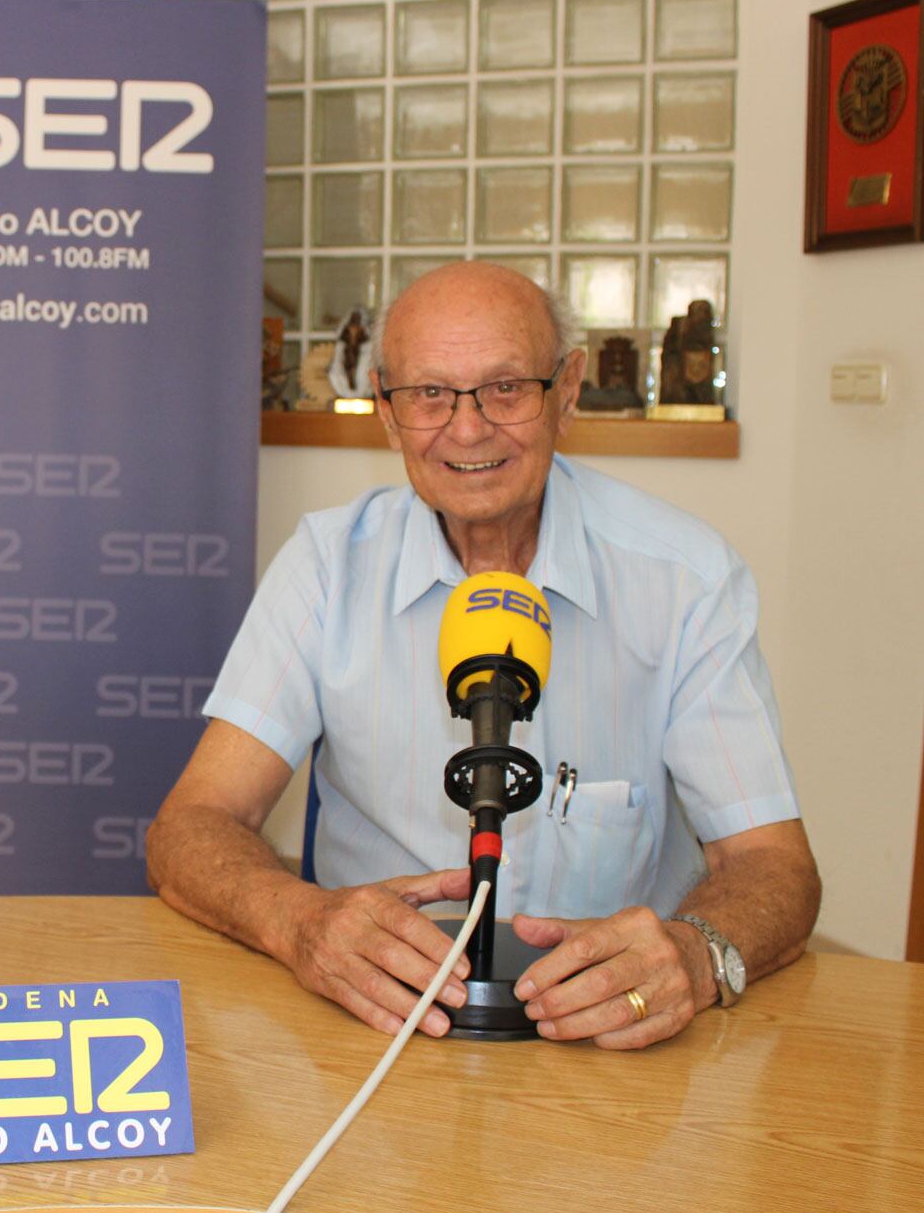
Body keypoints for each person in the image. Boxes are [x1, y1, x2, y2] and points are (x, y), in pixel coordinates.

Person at [146, 262, 819, 1051]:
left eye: (505, 388)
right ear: (389, 416)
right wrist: (300, 922)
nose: (467, 429)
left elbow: (777, 868)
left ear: (566, 391)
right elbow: (190, 826)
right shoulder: (328, 565)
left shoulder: (685, 579)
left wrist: (697, 955)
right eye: (429, 394)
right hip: (373, 1028)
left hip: (605, 1047)